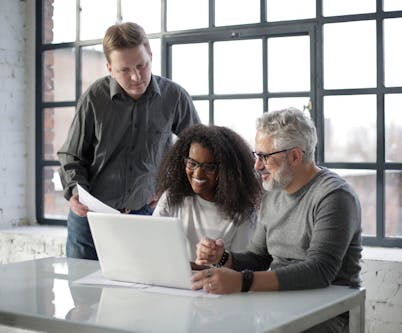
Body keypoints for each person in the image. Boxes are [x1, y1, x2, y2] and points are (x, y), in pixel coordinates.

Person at [192, 107, 362, 333]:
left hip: (325, 311)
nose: (257, 165)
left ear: (294, 156)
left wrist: (243, 281)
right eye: (256, 155)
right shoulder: (273, 190)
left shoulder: (334, 196)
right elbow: (258, 257)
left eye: (264, 157)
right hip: (276, 304)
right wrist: (222, 258)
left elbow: (319, 271)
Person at [57, 22, 200, 260]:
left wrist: (172, 185)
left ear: (150, 56)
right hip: (90, 218)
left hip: (144, 216)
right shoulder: (94, 98)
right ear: (110, 68)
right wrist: (73, 191)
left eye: (141, 65)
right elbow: (71, 155)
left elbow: (198, 151)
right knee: (84, 293)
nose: (136, 76)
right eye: (124, 70)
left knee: (138, 292)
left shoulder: (175, 97)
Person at [153, 124, 262, 261]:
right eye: (192, 163)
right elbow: (154, 248)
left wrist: (214, 260)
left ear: (227, 171)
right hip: (173, 280)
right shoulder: (171, 198)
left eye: (209, 167)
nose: (198, 173)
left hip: (217, 282)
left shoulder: (244, 212)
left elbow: (240, 269)